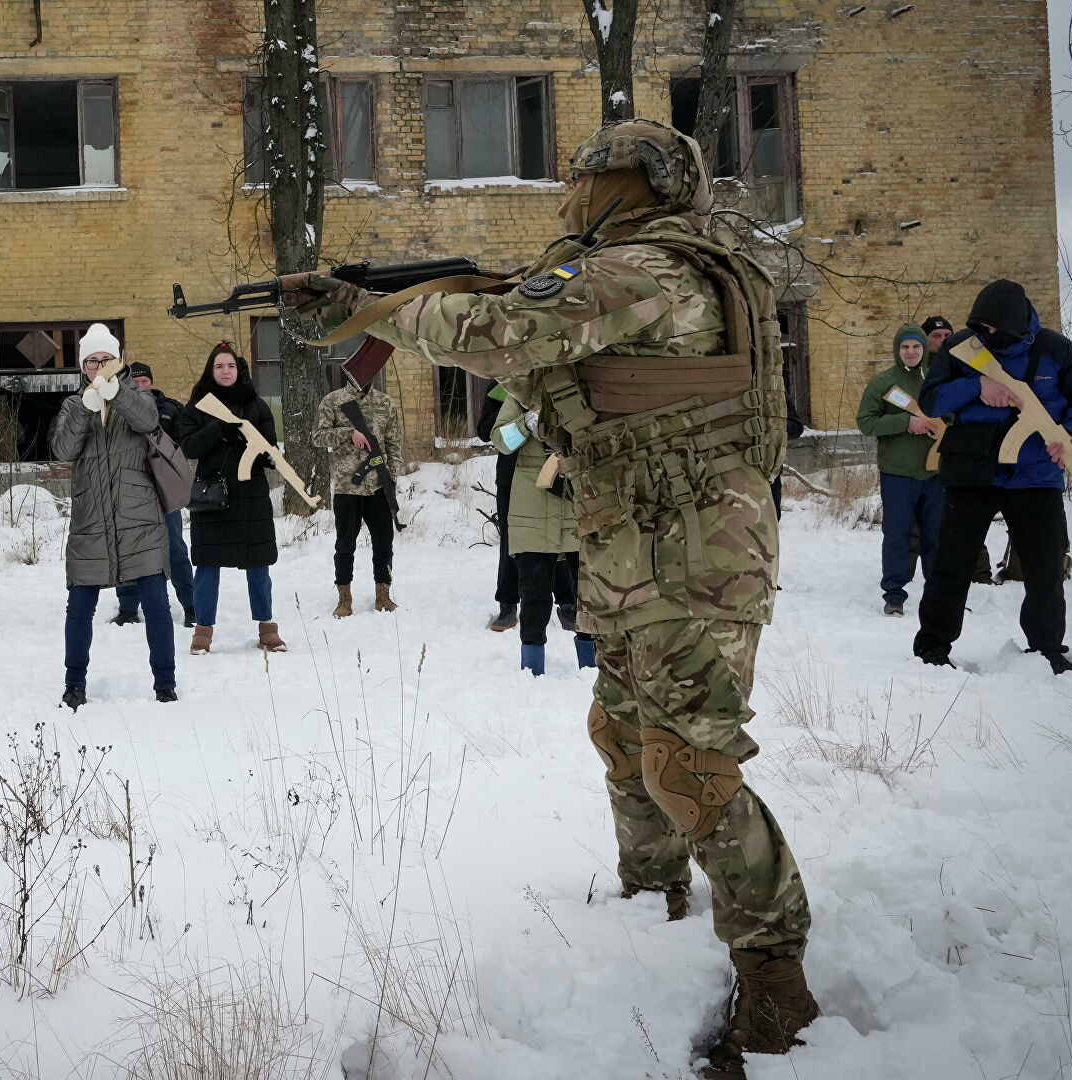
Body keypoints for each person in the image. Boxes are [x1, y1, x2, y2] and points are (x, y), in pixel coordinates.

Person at [283, 119, 817, 1074]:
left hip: (694, 554)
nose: (569, 196)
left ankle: (776, 975)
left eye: (585, 179)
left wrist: (370, 309)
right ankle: (651, 899)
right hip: (636, 542)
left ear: (635, 186)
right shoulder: (620, 268)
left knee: (691, 765)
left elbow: (501, 334)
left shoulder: (649, 270)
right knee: (624, 734)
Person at [914, 280, 1072, 674]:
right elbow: (930, 400)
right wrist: (977, 384)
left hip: (1036, 474)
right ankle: (931, 648)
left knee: (1046, 569)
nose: (987, 335)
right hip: (970, 471)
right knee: (951, 565)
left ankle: (1048, 649)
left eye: (995, 329)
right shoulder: (960, 346)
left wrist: (1068, 433)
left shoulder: (1056, 349)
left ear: (1017, 324)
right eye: (981, 328)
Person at [51, 324, 176, 708]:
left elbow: (148, 421)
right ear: (82, 367)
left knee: (156, 605)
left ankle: (166, 684)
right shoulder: (73, 405)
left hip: (140, 519)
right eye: (92, 361)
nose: (99, 366)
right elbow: (63, 450)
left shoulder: (137, 393)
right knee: (79, 608)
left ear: (118, 362)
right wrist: (85, 408)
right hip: (91, 521)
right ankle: (74, 683)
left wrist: (117, 393)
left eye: (106, 359)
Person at [173, 344, 285, 654]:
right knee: (207, 565)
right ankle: (203, 631)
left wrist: (263, 452)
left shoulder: (256, 406)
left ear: (239, 370)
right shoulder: (197, 406)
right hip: (213, 497)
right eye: (220, 366)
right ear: (211, 370)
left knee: (258, 563)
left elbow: (270, 447)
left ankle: (267, 629)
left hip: (251, 497)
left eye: (231, 366)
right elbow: (188, 447)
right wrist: (219, 430)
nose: (226, 371)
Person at [488, 394, 593, 674]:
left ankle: (592, 667)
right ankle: (532, 671)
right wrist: (524, 423)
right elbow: (501, 441)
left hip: (578, 505)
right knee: (535, 596)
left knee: (588, 595)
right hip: (531, 510)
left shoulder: (584, 387)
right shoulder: (520, 394)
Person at [856, 323, 944, 616]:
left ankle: (938, 595)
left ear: (924, 348)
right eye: (905, 347)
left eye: (916, 346)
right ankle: (894, 594)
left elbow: (955, 414)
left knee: (936, 537)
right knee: (897, 535)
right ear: (897, 349)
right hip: (898, 474)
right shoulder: (884, 383)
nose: (910, 352)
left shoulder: (938, 379)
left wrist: (942, 424)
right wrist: (905, 422)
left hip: (935, 473)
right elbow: (866, 422)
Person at [113, 361, 197, 628]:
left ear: (151, 382)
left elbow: (184, 445)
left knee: (175, 549)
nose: (140, 386)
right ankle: (128, 608)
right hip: (130, 491)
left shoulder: (170, 409)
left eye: (144, 381)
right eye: (135, 382)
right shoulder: (117, 409)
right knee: (129, 549)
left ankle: (191, 606)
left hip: (164, 491)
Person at [312, 379, 403, 617]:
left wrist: (391, 477)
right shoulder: (333, 400)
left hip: (378, 487)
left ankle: (383, 596)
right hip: (347, 487)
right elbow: (318, 437)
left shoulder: (385, 402)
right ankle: (344, 598)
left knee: (384, 544)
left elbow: (394, 444)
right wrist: (348, 433)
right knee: (345, 546)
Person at [476, 384, 521, 631]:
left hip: (548, 472)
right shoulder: (500, 387)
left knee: (558, 537)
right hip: (510, 474)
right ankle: (508, 604)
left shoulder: (549, 378)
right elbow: (484, 432)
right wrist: (509, 404)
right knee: (510, 542)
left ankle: (567, 603)